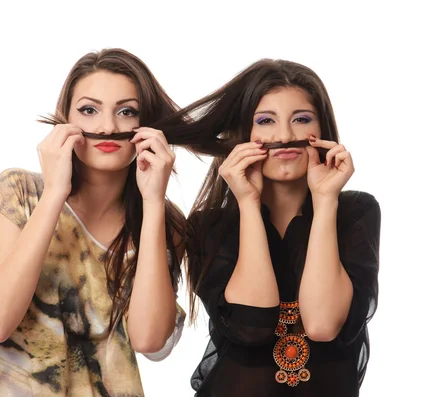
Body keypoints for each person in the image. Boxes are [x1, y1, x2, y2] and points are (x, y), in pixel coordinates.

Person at [0, 48, 186, 397]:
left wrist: (153, 203)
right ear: (67, 120)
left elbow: (149, 340)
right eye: (89, 110)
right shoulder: (20, 191)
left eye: (126, 112)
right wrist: (54, 193)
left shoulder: (162, 225)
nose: (107, 127)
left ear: (145, 125)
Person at [156, 59, 381, 396]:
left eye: (301, 119)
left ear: (322, 131)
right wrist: (246, 202)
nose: (285, 136)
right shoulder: (208, 226)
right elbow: (251, 327)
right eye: (265, 121)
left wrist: (324, 200)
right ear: (244, 136)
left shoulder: (354, 211)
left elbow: (321, 324)